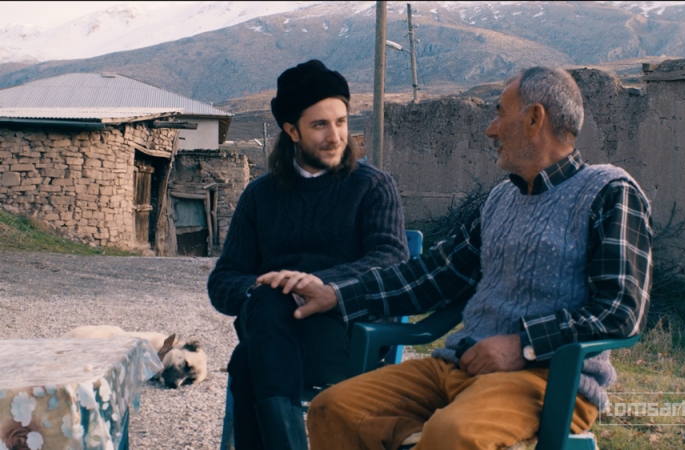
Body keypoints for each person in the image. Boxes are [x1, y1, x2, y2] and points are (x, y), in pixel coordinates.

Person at [260, 66, 654, 450]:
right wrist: (336, 294)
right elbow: (435, 275)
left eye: (500, 113)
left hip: (547, 380)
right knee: (334, 408)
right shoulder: (501, 199)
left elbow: (621, 311)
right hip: (460, 366)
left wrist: (521, 344)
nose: (491, 129)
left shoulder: (608, 191)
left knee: (452, 433)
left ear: (535, 119)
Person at [207, 59, 409, 450]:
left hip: (346, 334)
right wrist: (264, 287)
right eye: (320, 125)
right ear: (292, 131)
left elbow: (391, 259)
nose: (335, 136)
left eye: (341, 122)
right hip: (274, 328)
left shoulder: (372, 187)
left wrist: (317, 285)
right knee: (267, 300)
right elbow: (224, 280)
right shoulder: (260, 196)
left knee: (248, 361)